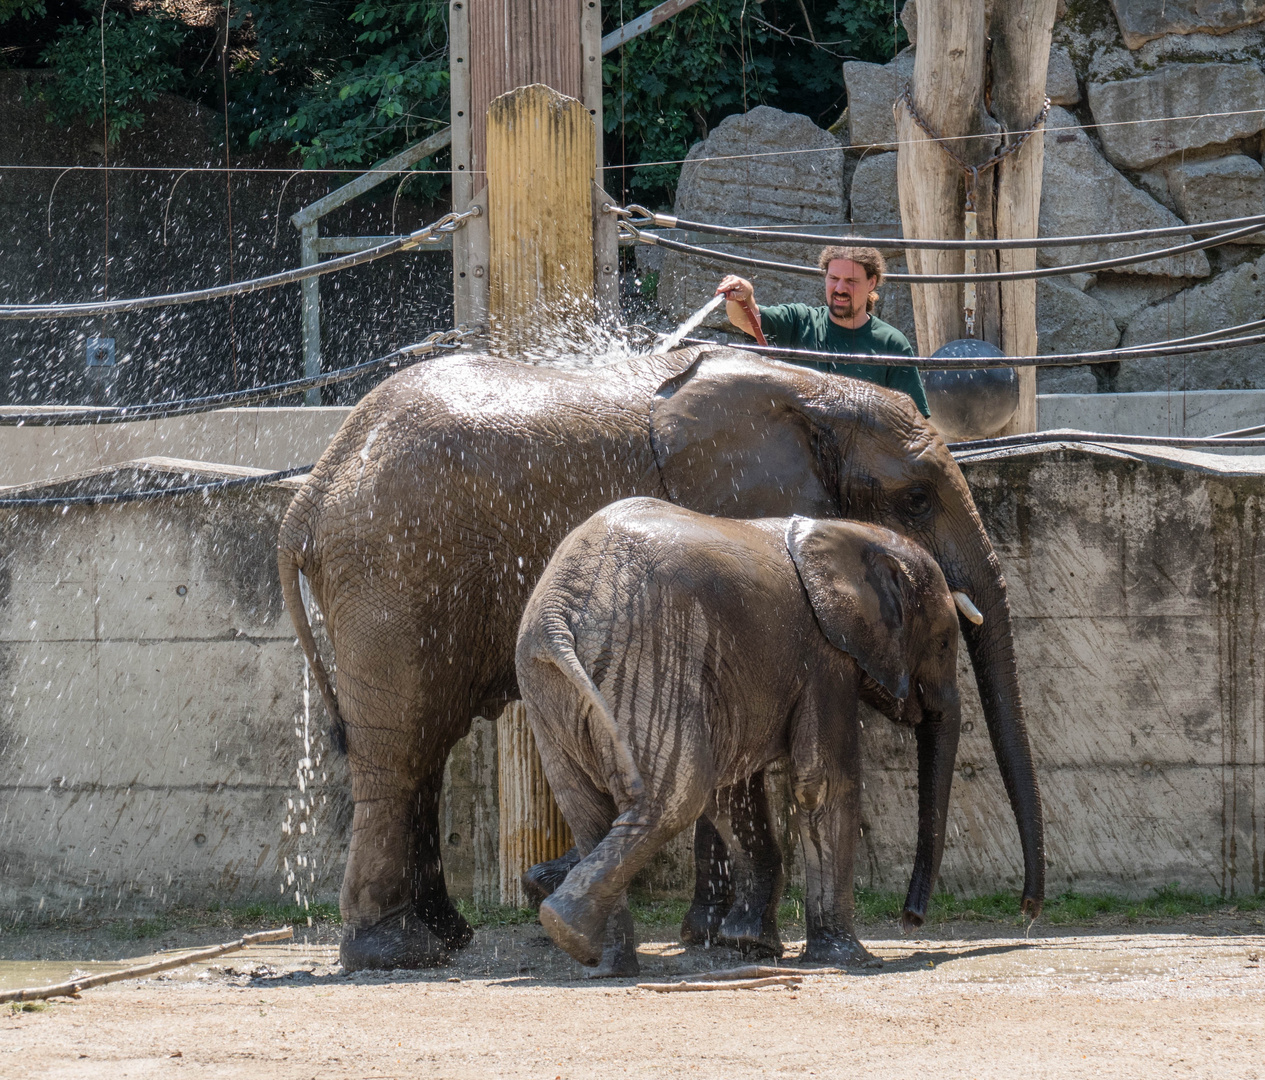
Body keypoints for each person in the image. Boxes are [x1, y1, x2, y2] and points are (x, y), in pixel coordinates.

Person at [716, 245, 930, 417]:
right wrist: (743, 294)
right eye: (833, 278)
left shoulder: (892, 343)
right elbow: (744, 318)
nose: (840, 289)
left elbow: (914, 424)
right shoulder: (799, 321)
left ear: (871, 282)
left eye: (851, 281)